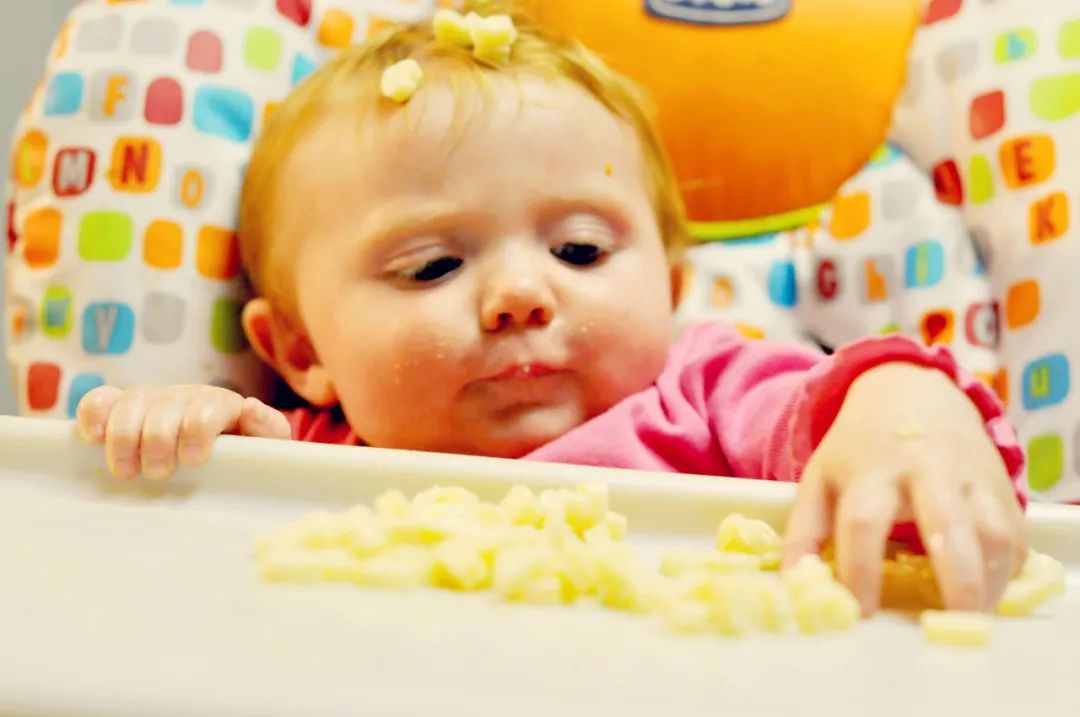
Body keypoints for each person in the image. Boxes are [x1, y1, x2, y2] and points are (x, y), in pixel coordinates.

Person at [73, 5, 1025, 617]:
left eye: (578, 250)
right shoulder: (303, 451)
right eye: (432, 264)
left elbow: (834, 407)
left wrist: (904, 406)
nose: (522, 293)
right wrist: (178, 442)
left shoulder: (704, 394)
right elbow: (176, 586)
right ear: (301, 348)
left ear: (671, 283)